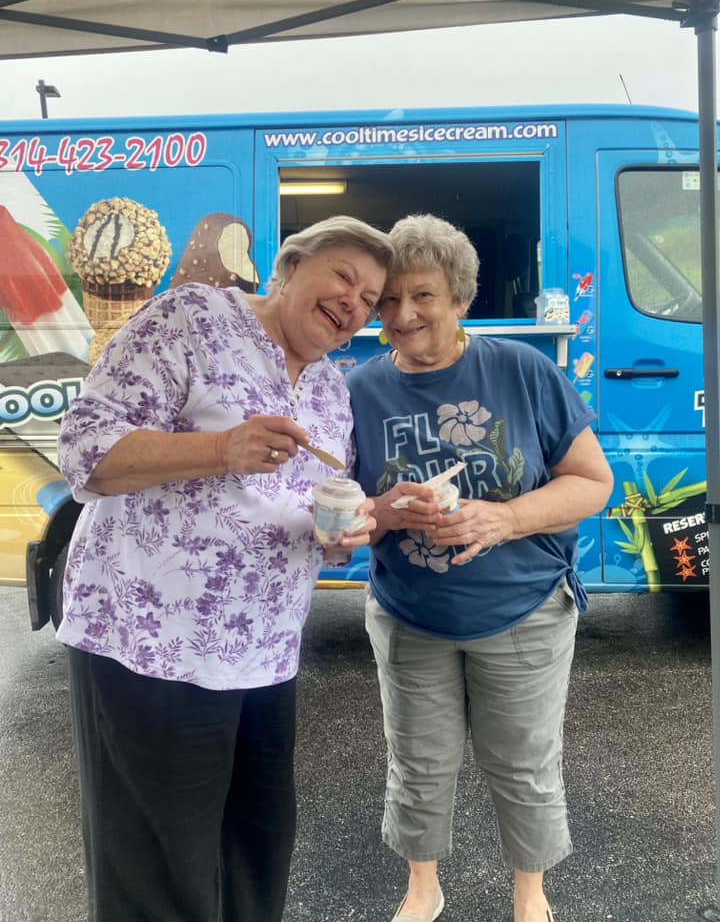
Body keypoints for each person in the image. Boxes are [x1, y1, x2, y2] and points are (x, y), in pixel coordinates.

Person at [56, 215, 394, 922]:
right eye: (344, 276)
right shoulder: (191, 317)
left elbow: (314, 512)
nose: (354, 302)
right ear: (290, 266)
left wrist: (354, 526)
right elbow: (86, 454)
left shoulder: (333, 389)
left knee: (255, 853)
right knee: (158, 871)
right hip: (151, 644)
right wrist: (220, 450)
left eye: (370, 298)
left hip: (265, 653)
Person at [345, 214, 614, 922]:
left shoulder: (522, 369)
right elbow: (345, 512)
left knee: (523, 765)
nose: (403, 316)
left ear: (460, 298)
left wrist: (505, 518)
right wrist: (384, 510)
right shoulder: (359, 390)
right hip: (410, 613)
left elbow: (592, 483)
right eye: (390, 299)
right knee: (419, 765)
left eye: (424, 296)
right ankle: (422, 886)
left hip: (523, 609)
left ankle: (530, 895)